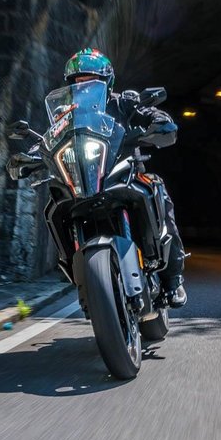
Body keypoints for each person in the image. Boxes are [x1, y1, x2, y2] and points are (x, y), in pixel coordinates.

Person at [64, 48, 187, 308]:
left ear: (106, 81)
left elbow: (152, 116)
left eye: (90, 80)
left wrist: (158, 122)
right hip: (86, 180)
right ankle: (82, 276)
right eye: (77, 81)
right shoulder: (67, 114)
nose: (83, 85)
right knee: (57, 203)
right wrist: (35, 152)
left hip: (125, 171)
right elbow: (52, 136)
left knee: (157, 189)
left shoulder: (124, 102)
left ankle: (173, 278)